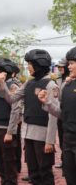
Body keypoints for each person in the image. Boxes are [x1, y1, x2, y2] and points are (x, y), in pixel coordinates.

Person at [0, 49, 58, 185]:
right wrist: (2, 83)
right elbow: (12, 99)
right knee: (33, 172)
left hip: (43, 135)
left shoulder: (51, 85)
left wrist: (50, 141)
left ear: (39, 64)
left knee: (45, 172)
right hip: (28, 133)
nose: (28, 67)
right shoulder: (29, 83)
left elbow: (53, 116)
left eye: (30, 64)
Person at [37, 46, 76, 185]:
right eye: (69, 63)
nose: (68, 66)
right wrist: (47, 102)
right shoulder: (67, 86)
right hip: (68, 139)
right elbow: (61, 113)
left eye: (72, 63)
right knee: (70, 177)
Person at [0, 58, 20, 185]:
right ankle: (4, 180)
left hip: (6, 128)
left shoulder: (12, 85)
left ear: (5, 72)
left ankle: (10, 182)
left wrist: (10, 131)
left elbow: (15, 109)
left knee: (9, 159)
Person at [54, 58, 69, 169]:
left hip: (69, 113)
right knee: (61, 137)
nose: (60, 69)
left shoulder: (71, 80)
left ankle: (69, 162)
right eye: (59, 67)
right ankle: (64, 161)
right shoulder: (58, 80)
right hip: (60, 113)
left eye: (62, 66)